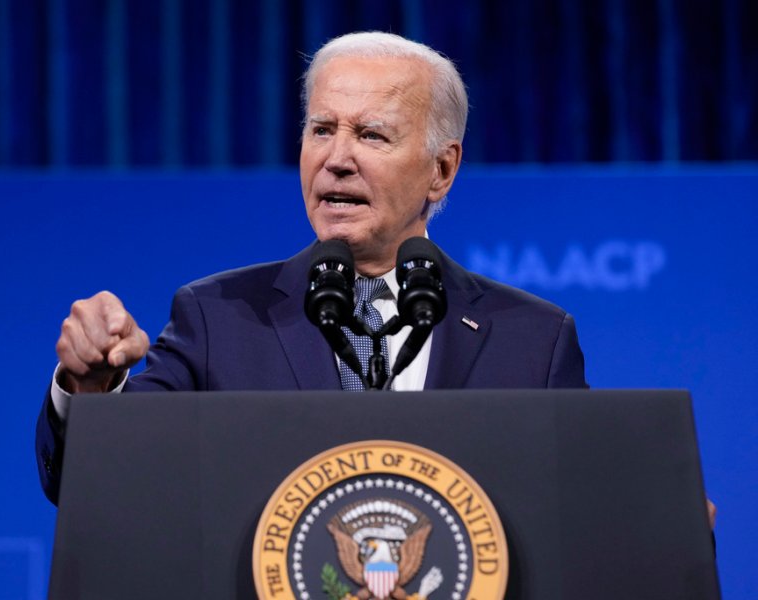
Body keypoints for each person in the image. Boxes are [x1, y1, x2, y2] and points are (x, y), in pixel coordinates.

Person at [36, 31, 589, 505]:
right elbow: (110, 485)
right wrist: (93, 386)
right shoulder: (217, 318)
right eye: (322, 130)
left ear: (441, 170)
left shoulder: (533, 340)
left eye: (372, 135)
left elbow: (578, 519)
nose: (337, 159)